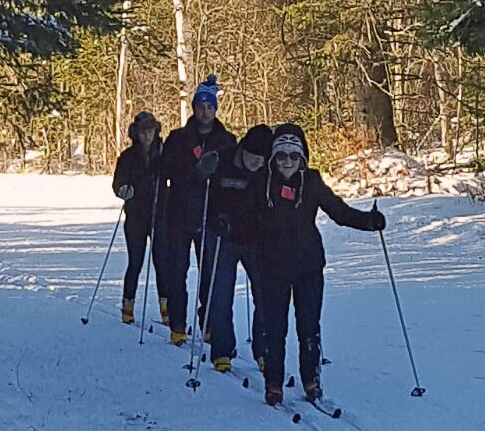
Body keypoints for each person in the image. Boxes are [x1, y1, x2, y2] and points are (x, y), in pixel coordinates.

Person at [249, 123, 384, 406]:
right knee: (275, 328)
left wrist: (368, 222)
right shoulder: (261, 182)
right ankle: (274, 382)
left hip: (307, 266)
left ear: (303, 159)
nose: (287, 162)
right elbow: (242, 216)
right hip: (272, 267)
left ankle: (311, 379)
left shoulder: (311, 182)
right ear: (274, 158)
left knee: (309, 326)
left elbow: (339, 211)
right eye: (282, 155)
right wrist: (226, 225)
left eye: (294, 156)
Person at [157, 75, 237, 345]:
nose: (205, 111)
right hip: (179, 213)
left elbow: (232, 176)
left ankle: (209, 324)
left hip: (211, 214)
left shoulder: (227, 140)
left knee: (210, 275)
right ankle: (178, 324)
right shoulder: (177, 138)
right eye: (200, 106)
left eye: (209, 107)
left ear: (216, 109)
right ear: (194, 107)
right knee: (177, 271)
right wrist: (194, 172)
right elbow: (164, 171)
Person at [195, 123, 273, 372]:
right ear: (243, 149)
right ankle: (222, 350)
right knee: (220, 293)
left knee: (266, 294)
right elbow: (200, 192)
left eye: (262, 159)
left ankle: (264, 350)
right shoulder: (224, 159)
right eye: (252, 157)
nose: (256, 163)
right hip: (221, 236)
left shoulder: (268, 169)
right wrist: (202, 172)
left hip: (255, 239)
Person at [111, 111, 164, 325]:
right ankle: (128, 305)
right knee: (136, 262)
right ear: (136, 133)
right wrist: (124, 190)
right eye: (144, 131)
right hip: (135, 215)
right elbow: (118, 183)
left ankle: (166, 307)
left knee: (162, 262)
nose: (147, 135)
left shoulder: (163, 152)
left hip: (160, 214)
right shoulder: (127, 156)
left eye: (151, 131)